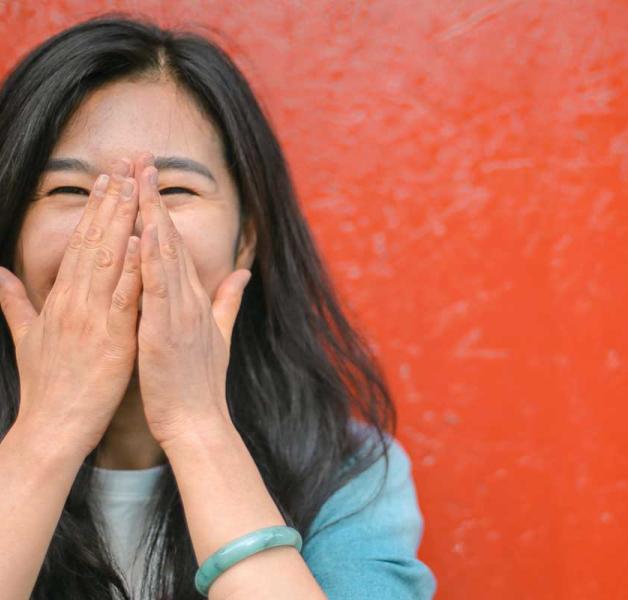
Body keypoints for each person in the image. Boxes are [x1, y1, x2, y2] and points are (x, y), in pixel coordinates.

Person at [0, 12, 437, 600]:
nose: (126, 230)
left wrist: (197, 426)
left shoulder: (348, 473)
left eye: (174, 191)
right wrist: (49, 430)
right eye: (73, 192)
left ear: (247, 236)